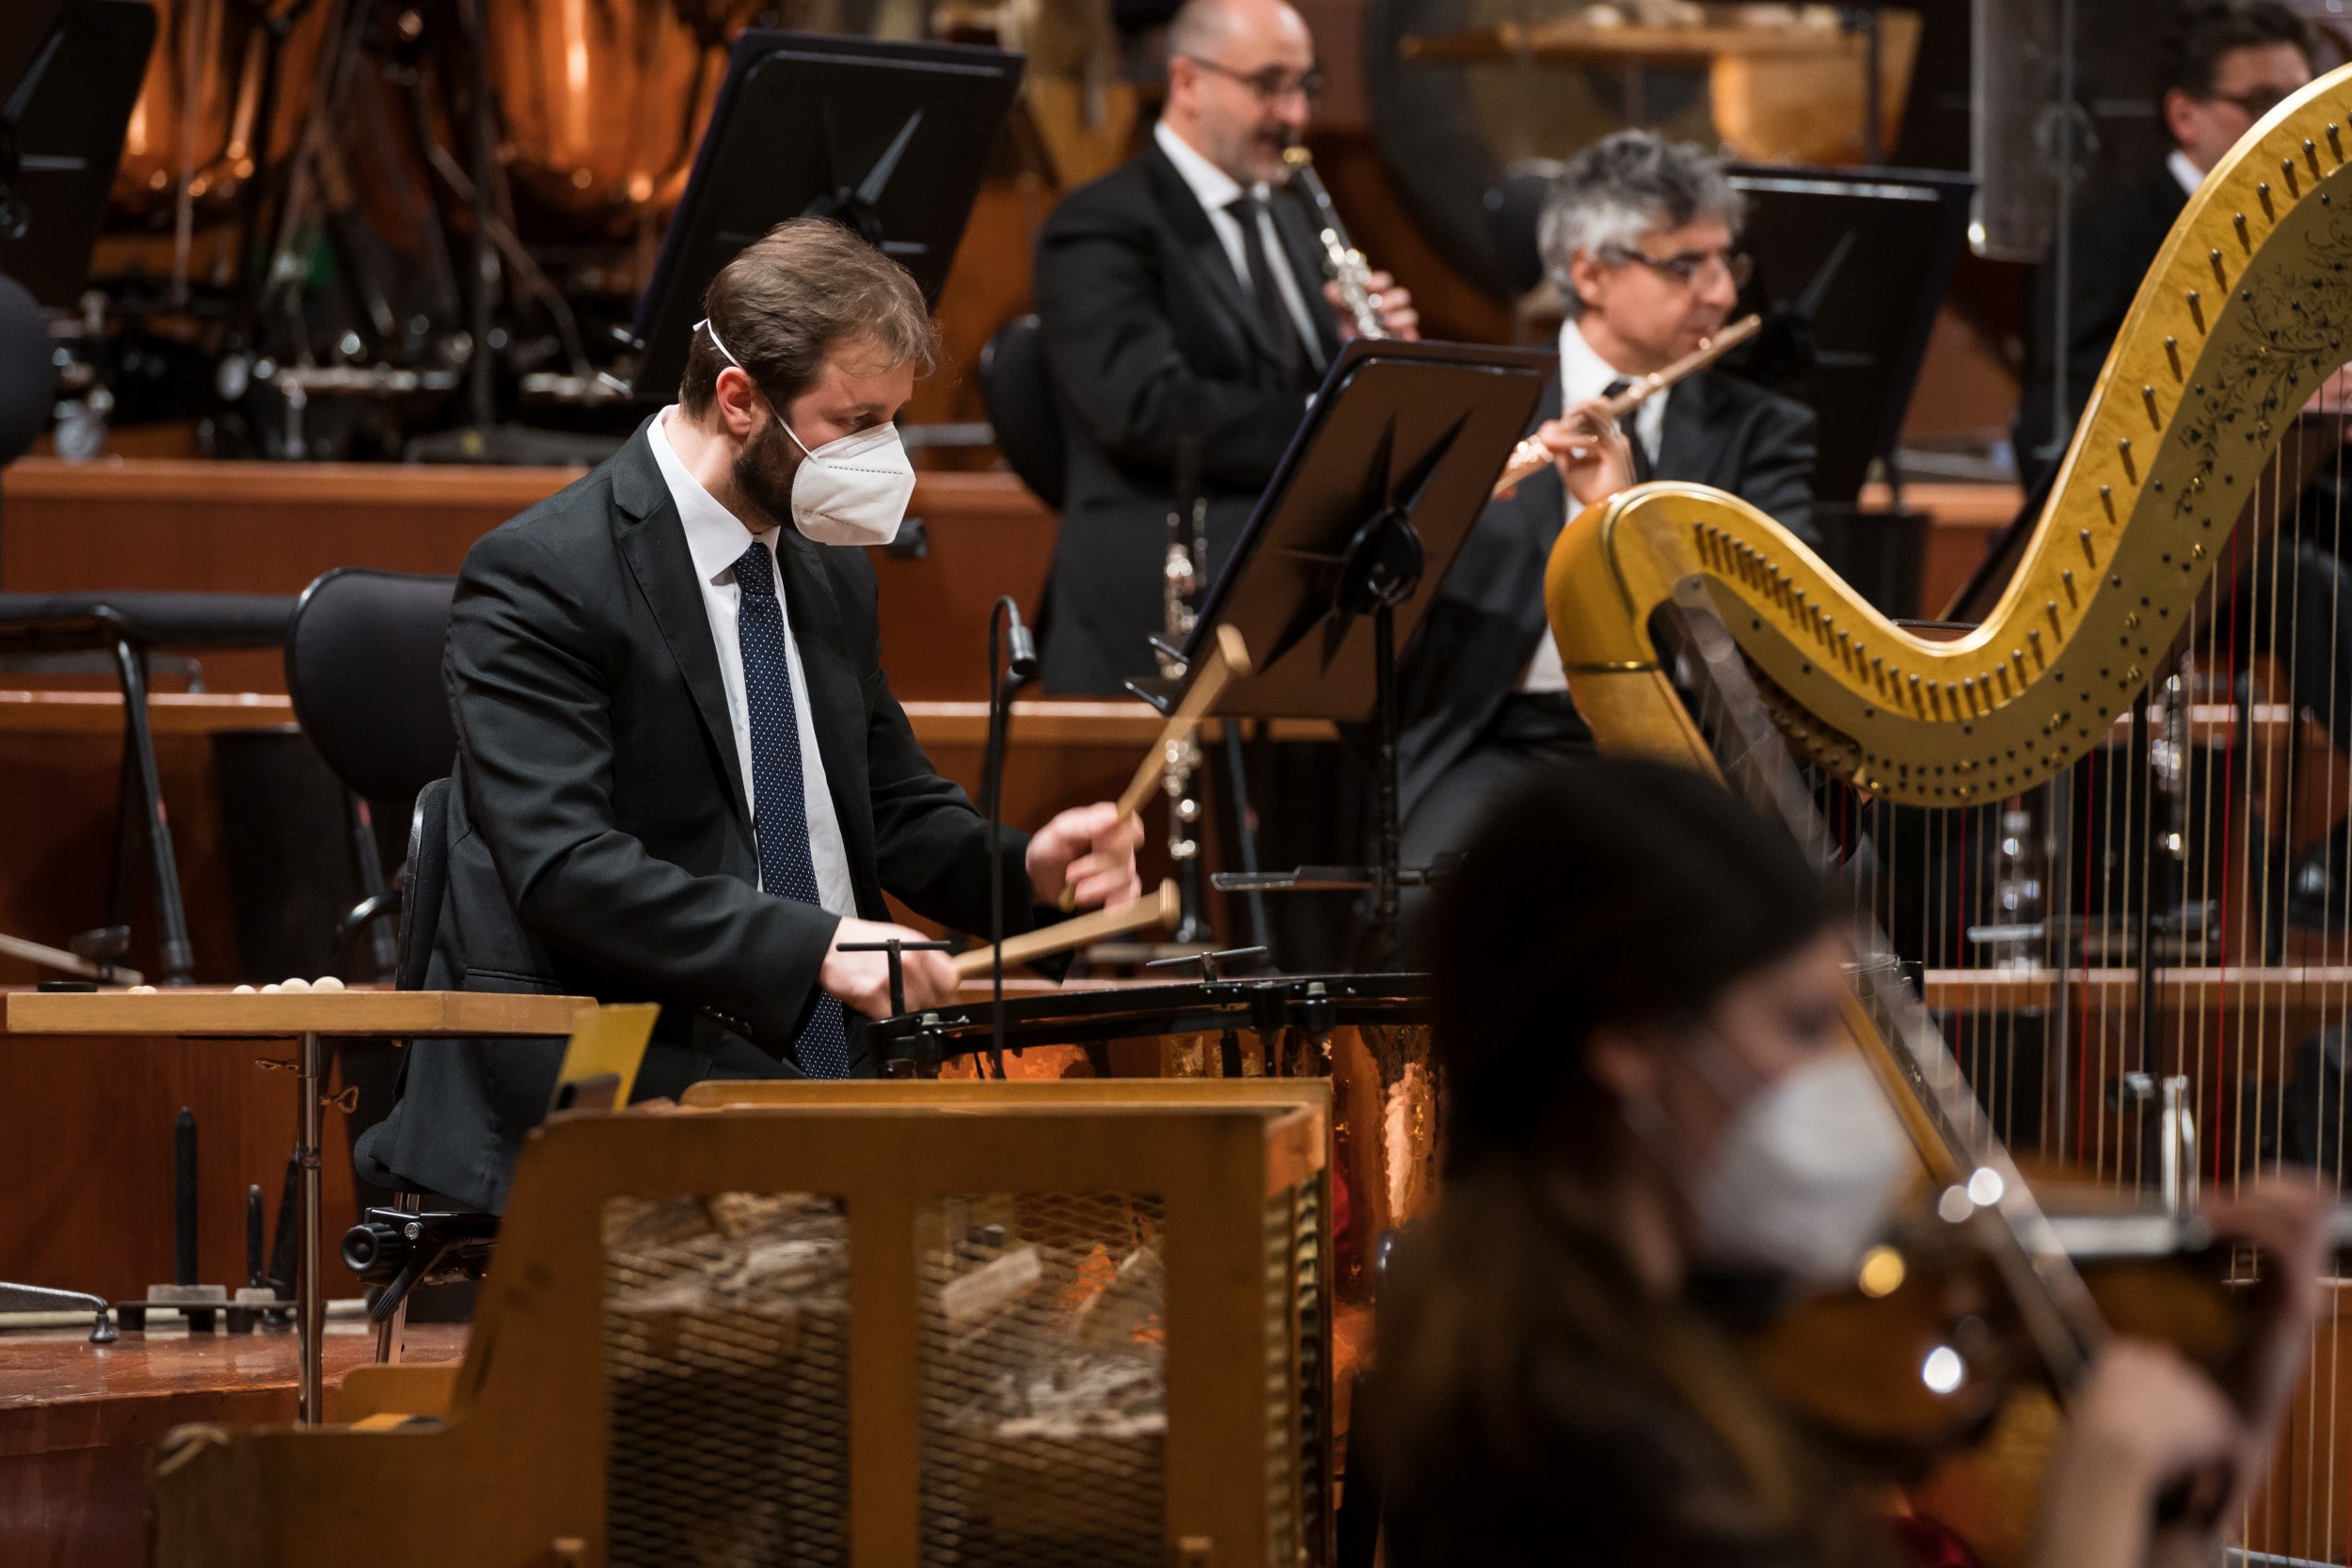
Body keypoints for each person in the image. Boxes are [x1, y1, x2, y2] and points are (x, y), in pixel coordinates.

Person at [1369, 756, 2330, 1568]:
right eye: (1799, 1025)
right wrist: (2098, 1485)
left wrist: (2232, 1411)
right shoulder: (1553, 1444)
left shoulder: (1680, 1335)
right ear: (1629, 1042)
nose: (1837, 1077)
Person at [359, 220, 1143, 1212]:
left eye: (892, 421)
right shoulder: (543, 575)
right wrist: (812, 945)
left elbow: (891, 807)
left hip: (826, 1050)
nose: (881, 458)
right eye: (854, 420)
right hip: (624, 1047)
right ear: (739, 400)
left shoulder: (824, 569)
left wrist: (1030, 867)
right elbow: (564, 867)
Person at [1391, 131, 1816, 893]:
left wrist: (1625, 514)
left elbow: (1780, 635)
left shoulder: (1761, 431)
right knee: (1431, 905)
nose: (1721, 292)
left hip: (1684, 740)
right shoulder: (1475, 412)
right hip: (1503, 740)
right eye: (1686, 265)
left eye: (1727, 262)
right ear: (1589, 273)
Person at [1030, 0, 1420, 695]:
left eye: (1306, 87)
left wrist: (1359, 360)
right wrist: (1333, 418)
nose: (1296, 114)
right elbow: (1144, 408)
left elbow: (1297, 377)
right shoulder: (1100, 223)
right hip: (1161, 564)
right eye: (1269, 85)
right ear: (1187, 82)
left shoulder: (1292, 217)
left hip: (1281, 552)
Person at [2013, 1, 2312, 486]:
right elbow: (2072, 420)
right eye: (2261, 101)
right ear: (2184, 115)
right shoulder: (2107, 237)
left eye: (2301, 102)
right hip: (2192, 524)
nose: (2286, 124)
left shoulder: (2320, 231)